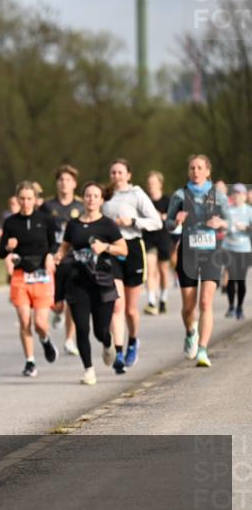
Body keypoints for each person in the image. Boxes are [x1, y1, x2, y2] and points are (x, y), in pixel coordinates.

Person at [53, 181, 127, 385]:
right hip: (78, 281)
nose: (91, 199)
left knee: (100, 330)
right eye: (87, 195)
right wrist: (59, 255)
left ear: (102, 200)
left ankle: (108, 341)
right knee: (82, 328)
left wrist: (105, 247)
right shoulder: (74, 224)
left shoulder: (108, 224)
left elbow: (123, 250)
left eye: (95, 196)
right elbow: (65, 246)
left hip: (102, 281)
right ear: (83, 198)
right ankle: (88, 370)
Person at [164, 154, 230, 367]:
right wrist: (176, 221)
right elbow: (168, 225)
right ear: (188, 171)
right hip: (188, 252)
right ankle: (191, 332)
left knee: (205, 302)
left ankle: (202, 349)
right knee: (189, 307)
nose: (195, 171)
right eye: (192, 168)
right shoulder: (179, 195)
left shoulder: (218, 195)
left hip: (211, 253)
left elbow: (228, 222)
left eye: (200, 168)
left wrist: (220, 222)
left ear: (208, 171)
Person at [101, 159, 162, 373]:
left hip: (134, 248)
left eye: (120, 172)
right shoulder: (105, 196)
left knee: (130, 309)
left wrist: (133, 221)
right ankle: (118, 352)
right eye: (113, 172)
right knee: (116, 305)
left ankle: (133, 341)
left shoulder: (136, 194)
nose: (116, 175)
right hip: (112, 250)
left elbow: (156, 221)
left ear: (128, 175)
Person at [0, 181, 59, 377]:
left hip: (41, 274)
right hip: (20, 275)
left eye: (29, 199)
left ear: (35, 199)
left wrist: (50, 255)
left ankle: (45, 340)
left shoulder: (46, 219)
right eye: (22, 199)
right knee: (25, 320)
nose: (25, 203)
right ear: (17, 199)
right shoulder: (10, 222)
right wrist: (8, 246)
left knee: (40, 323)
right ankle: (30, 361)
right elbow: (1, 252)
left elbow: (55, 244)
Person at [41, 165, 86, 356]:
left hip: (74, 259)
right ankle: (57, 313)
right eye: (61, 180)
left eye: (68, 180)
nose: (64, 183)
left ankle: (69, 339)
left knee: (72, 300)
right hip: (54, 259)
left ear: (74, 183)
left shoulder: (81, 206)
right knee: (57, 304)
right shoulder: (47, 207)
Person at [143, 171, 174, 316]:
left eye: (153, 183)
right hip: (148, 238)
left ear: (160, 184)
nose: (151, 186)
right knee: (150, 270)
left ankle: (163, 298)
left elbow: (172, 218)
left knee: (162, 271)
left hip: (163, 238)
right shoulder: (144, 201)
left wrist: (160, 215)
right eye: (149, 183)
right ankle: (151, 302)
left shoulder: (168, 200)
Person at [224, 183, 250, 319]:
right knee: (231, 277)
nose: (236, 196)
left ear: (245, 196)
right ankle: (231, 306)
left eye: (239, 193)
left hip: (244, 249)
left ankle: (239, 307)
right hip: (229, 247)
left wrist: (246, 228)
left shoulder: (249, 210)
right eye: (234, 193)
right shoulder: (227, 210)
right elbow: (222, 226)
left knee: (241, 280)